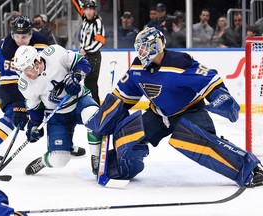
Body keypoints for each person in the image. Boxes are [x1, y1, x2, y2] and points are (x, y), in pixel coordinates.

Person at [87, 27, 263, 188]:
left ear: (157, 46)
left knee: (198, 142)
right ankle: (114, 167)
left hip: (189, 112)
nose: (141, 52)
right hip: (158, 116)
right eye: (139, 48)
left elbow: (210, 81)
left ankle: (249, 168)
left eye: (145, 47)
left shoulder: (180, 63)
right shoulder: (137, 68)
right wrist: (105, 117)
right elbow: (122, 97)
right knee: (127, 138)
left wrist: (220, 97)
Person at [0, 16, 85, 160]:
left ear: (31, 34)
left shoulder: (42, 42)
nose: (20, 41)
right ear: (12, 35)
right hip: (0, 79)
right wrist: (19, 105)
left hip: (30, 77)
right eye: (17, 36)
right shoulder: (8, 48)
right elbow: (9, 83)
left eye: (25, 37)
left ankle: (64, 144)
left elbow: (55, 60)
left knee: (54, 107)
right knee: (13, 113)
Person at [13, 44, 102, 175]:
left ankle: (97, 157)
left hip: (79, 101)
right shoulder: (25, 84)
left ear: (37, 62)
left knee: (93, 115)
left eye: (27, 68)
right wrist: (34, 127)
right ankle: (44, 161)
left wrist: (76, 76)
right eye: (21, 70)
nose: (25, 73)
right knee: (59, 160)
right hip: (57, 115)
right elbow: (36, 108)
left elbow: (82, 62)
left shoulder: (55, 53)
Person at [72, 0, 106, 105]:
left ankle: (96, 107)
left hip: (93, 56)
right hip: (85, 55)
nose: (88, 12)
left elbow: (101, 41)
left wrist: (86, 50)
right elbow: (77, 5)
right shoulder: (85, 19)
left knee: (91, 83)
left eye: (91, 9)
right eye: (86, 9)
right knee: (85, 82)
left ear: (94, 10)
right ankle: (90, 105)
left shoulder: (97, 22)